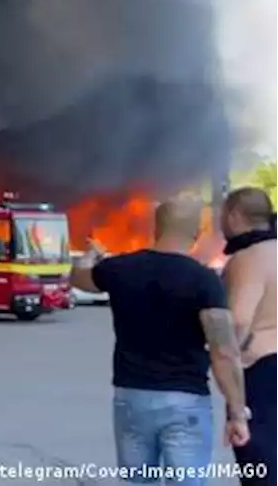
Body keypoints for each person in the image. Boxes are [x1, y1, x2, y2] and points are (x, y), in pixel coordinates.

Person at [71, 196, 248, 484]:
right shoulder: (203, 279)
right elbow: (224, 351)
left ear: (157, 228)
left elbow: (78, 278)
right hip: (185, 400)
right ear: (196, 234)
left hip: (131, 398)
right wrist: (237, 413)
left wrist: (91, 255)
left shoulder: (121, 268)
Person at [220, 186, 277, 483]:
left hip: (264, 371)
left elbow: (239, 320)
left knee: (261, 465)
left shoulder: (249, 258)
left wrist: (231, 354)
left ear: (234, 216)